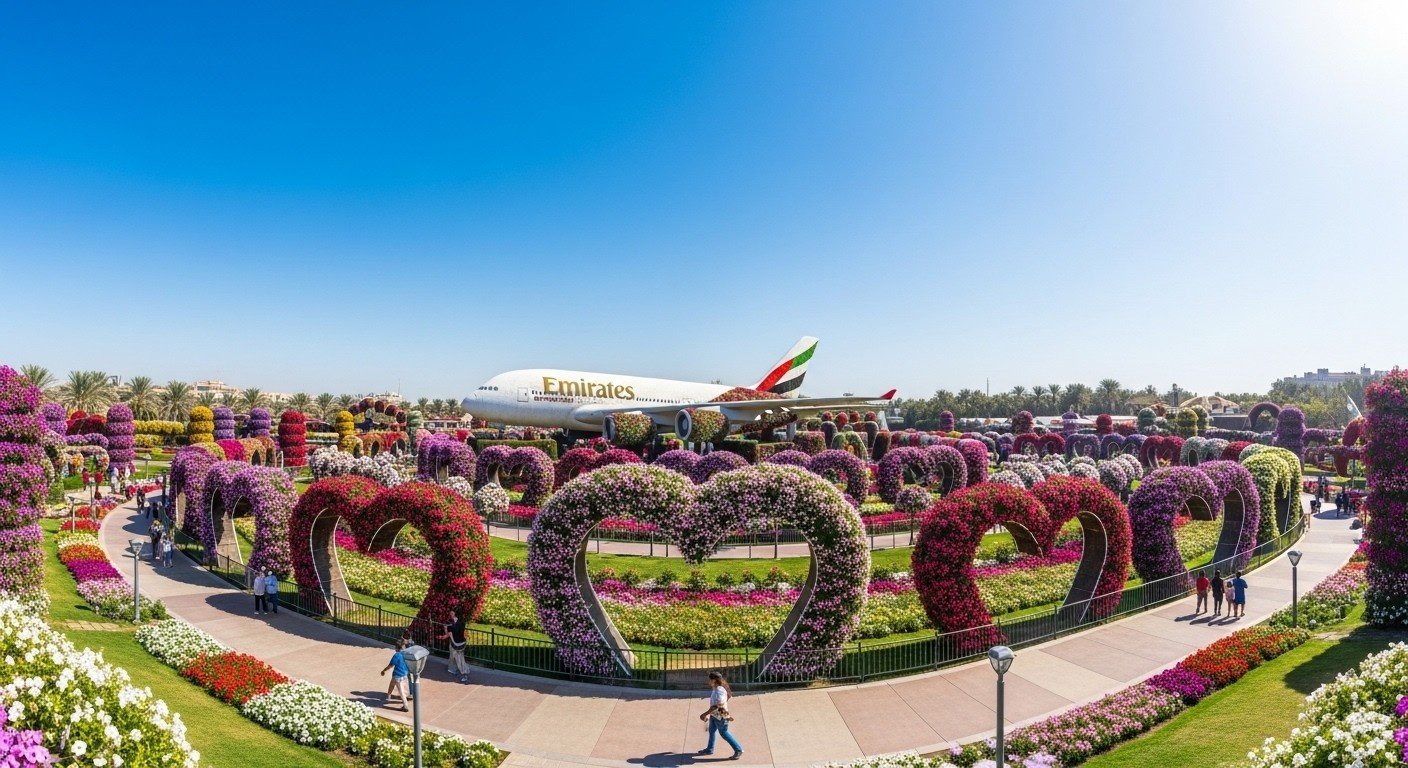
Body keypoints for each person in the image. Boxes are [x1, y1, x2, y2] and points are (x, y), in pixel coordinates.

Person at [698, 671, 743, 759]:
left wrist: (704, 714)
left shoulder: (719, 691)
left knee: (724, 733)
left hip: (721, 716)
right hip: (715, 715)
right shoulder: (716, 688)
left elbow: (718, 706)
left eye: (709, 680)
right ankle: (710, 749)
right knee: (712, 731)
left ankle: (738, 750)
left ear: (714, 680)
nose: (708, 681)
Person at [439, 609, 470, 683]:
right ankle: (452, 668)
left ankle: (463, 674)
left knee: (458, 659)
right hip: (461, 643)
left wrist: (443, 634)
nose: (451, 614)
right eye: (450, 613)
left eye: (452, 613)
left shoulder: (450, 624)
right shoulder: (461, 623)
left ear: (455, 614)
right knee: (454, 657)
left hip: (455, 644)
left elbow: (448, 634)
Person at [380, 638, 411, 712]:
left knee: (401, 691)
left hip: (398, 675)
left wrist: (384, 670)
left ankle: (405, 706)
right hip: (404, 674)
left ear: (396, 647)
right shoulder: (405, 653)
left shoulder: (397, 655)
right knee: (392, 683)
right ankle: (388, 695)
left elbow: (391, 665)